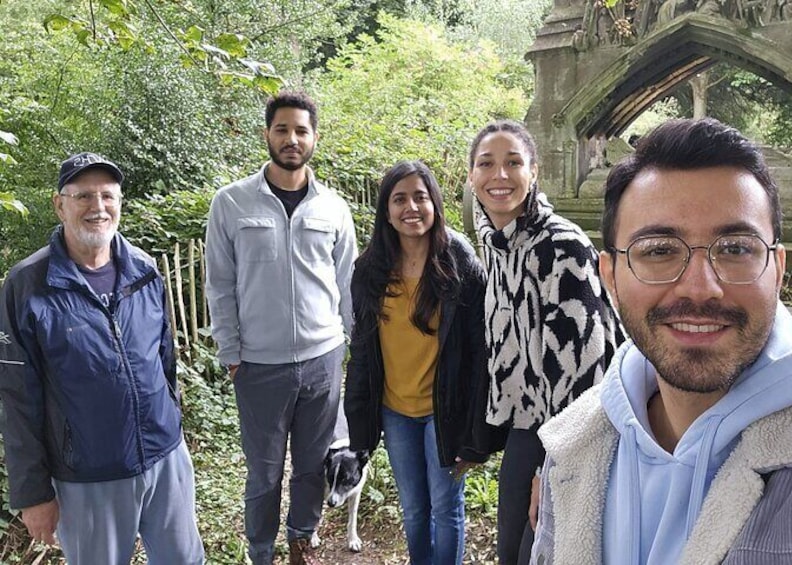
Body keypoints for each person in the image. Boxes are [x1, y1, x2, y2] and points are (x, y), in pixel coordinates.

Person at [530, 118, 792, 564]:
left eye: (736, 248)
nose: (700, 289)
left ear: (777, 268)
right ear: (609, 277)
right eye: (659, 250)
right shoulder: (574, 448)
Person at [0, 152, 204, 564]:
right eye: (84, 197)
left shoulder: (144, 271)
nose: (98, 208)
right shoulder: (26, 286)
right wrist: (32, 492)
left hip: (165, 460)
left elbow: (165, 363)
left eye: (108, 196)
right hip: (88, 476)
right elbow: (16, 397)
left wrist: (173, 429)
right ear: (60, 204)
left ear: (120, 202)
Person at [205, 91, 357, 565]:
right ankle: (261, 550)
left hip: (323, 359)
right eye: (282, 129)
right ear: (267, 134)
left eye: (301, 130)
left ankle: (300, 539)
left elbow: (347, 282)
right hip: (258, 364)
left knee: (313, 464)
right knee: (264, 470)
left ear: (315, 138)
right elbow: (220, 282)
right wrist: (231, 351)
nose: (292, 139)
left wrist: (353, 348)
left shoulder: (333, 207)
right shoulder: (230, 203)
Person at [467, 120, 623, 565]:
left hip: (573, 433)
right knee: (511, 548)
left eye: (513, 162)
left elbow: (588, 368)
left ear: (533, 172)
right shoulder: (497, 245)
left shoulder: (562, 247)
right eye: (486, 164)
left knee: (541, 551)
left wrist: (553, 467)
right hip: (525, 426)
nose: (500, 175)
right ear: (471, 176)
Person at [345, 160, 506, 564]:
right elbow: (362, 352)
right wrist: (360, 426)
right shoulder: (369, 270)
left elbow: (479, 353)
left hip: (445, 412)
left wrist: (476, 431)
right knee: (415, 509)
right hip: (396, 410)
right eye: (399, 199)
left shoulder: (460, 262)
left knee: (444, 507)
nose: (411, 207)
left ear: (435, 203)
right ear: (386, 210)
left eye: (420, 197)